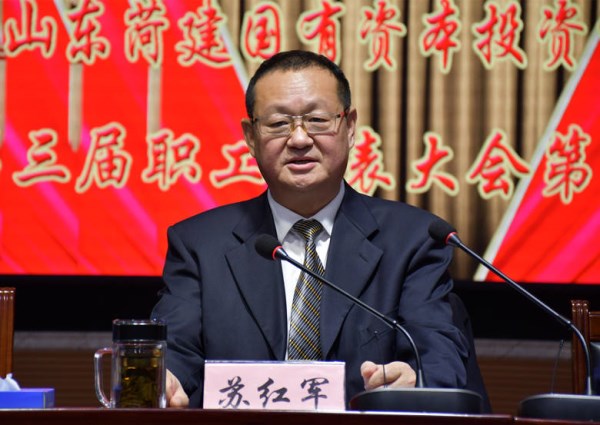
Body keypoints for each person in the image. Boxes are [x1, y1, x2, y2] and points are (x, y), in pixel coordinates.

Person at [151, 50, 470, 408]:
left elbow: (439, 359)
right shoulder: (200, 245)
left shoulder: (413, 241)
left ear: (350, 127)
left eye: (317, 120)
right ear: (251, 137)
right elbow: (175, 352)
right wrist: (165, 379)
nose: (299, 139)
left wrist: (416, 379)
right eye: (278, 123)